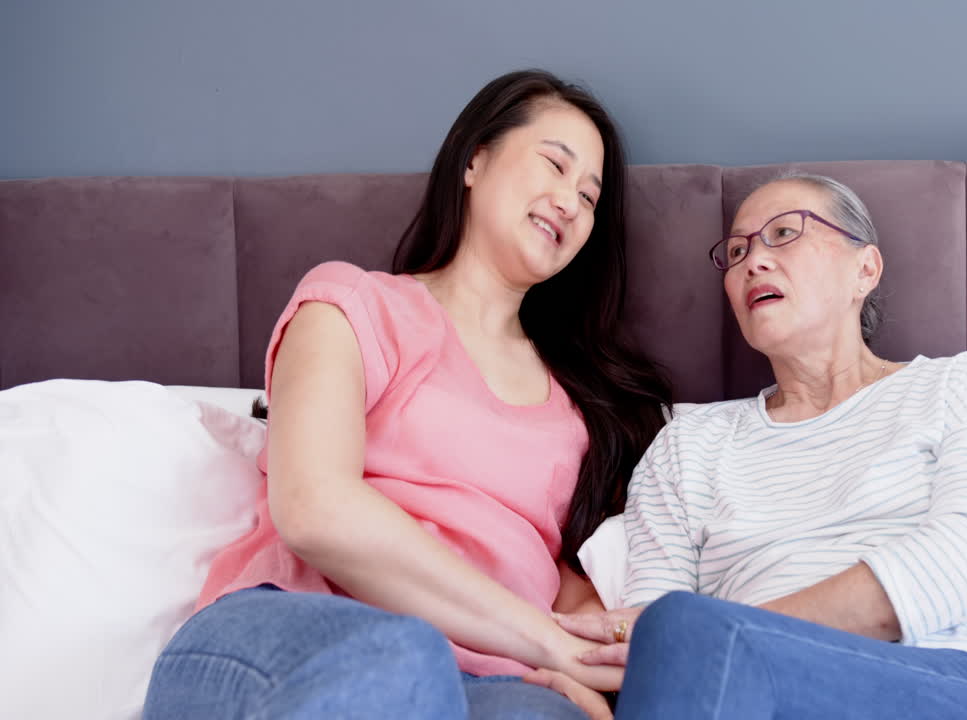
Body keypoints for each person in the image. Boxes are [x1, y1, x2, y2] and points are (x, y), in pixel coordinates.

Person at [142, 69, 671, 720]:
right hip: (296, 629)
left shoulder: (580, 411)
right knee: (400, 662)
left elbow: (561, 586)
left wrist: (609, 646)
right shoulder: (353, 305)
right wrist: (543, 642)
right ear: (475, 159)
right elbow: (315, 508)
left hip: (492, 680)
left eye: (590, 197)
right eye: (555, 166)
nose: (570, 201)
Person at [554, 173, 967, 719]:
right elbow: (648, 639)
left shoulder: (953, 385)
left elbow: (963, 563)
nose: (754, 261)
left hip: (954, 685)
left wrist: (736, 636)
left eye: (785, 233)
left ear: (864, 269)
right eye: (739, 249)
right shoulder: (687, 445)